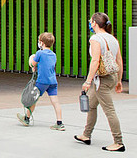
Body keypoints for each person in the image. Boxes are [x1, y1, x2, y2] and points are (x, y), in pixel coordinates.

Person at [75, 12, 125, 152]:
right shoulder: (113, 39)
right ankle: (86, 135)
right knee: (91, 105)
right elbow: (119, 60)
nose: (90, 23)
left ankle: (118, 142)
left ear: (95, 23)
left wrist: (88, 81)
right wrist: (119, 80)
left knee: (109, 110)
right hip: (111, 76)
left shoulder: (95, 39)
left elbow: (95, 61)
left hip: (101, 80)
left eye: (91, 21)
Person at [17, 32, 64, 130]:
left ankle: (27, 118)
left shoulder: (39, 53)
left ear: (41, 43)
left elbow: (33, 64)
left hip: (42, 81)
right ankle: (59, 123)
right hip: (52, 81)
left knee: (33, 100)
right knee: (55, 102)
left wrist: (31, 58)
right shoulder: (53, 54)